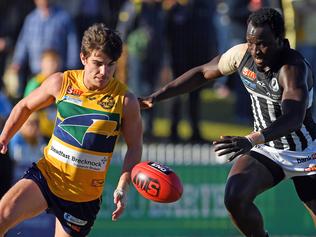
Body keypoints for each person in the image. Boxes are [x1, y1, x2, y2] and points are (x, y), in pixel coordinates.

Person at [139, 7, 316, 237]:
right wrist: (156, 96)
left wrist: (251, 139)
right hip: (267, 149)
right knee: (235, 197)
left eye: (262, 43)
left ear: (281, 41)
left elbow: (293, 118)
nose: (255, 51)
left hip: (306, 153)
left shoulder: (292, 69)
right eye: (250, 42)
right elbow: (203, 73)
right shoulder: (241, 55)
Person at [0, 23, 143, 237]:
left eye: (111, 65)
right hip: (48, 176)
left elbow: (135, 146)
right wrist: (4, 137)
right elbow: (25, 106)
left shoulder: (125, 101)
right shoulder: (62, 82)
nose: (104, 72)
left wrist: (123, 185)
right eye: (98, 63)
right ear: (83, 58)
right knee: (2, 215)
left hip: (82, 199)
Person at [24, 49, 61, 141]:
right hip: (40, 133)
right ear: (42, 64)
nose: (53, 65)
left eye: (55, 62)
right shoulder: (35, 83)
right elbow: (27, 107)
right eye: (49, 62)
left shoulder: (61, 83)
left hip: (56, 132)